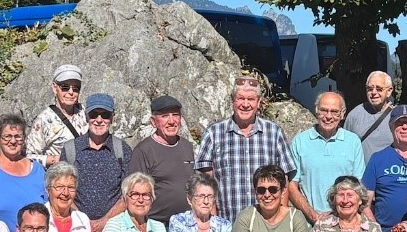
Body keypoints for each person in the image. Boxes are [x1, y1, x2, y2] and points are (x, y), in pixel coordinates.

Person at [194, 77, 294, 220]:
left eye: (251, 99)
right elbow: (205, 182)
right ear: (232, 101)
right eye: (240, 98)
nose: (245, 104)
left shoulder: (274, 132)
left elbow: (284, 180)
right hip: (227, 223)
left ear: (258, 102)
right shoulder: (214, 134)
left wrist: (280, 220)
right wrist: (214, 222)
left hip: (266, 224)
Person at [289, 90, 365, 223]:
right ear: (316, 111)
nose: (328, 116)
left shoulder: (353, 142)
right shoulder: (300, 141)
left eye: (334, 112)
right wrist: (313, 215)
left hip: (344, 221)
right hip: (309, 222)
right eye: (324, 110)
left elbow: (358, 185)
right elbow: (291, 185)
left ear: (343, 114)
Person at [62, 92, 131, 223]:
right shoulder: (70, 149)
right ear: (86, 116)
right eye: (94, 114)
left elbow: (128, 193)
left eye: (105, 115)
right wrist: (83, 222)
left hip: (114, 226)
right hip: (77, 224)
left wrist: (104, 222)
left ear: (112, 118)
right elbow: (62, 190)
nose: (99, 120)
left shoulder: (123, 150)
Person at [0, 113, 47, 227]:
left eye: (18, 136)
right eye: (7, 136)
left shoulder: (38, 171)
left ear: (24, 139)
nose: (13, 141)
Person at [130, 95, 196, 223]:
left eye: (175, 115)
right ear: (153, 122)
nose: (171, 121)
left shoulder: (187, 146)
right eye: (165, 116)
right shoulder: (144, 150)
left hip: (187, 222)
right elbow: (134, 192)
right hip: (156, 224)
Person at [28, 63, 86, 163]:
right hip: (59, 171)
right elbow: (29, 157)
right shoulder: (44, 120)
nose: (71, 92)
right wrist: (57, 159)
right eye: (65, 87)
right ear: (55, 88)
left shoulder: (85, 112)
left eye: (76, 88)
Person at [344, 71, 397, 162]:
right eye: (370, 89)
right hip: (363, 170)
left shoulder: (398, 116)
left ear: (389, 91)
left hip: (391, 170)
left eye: (379, 89)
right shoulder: (355, 115)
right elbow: (345, 147)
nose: (373, 92)